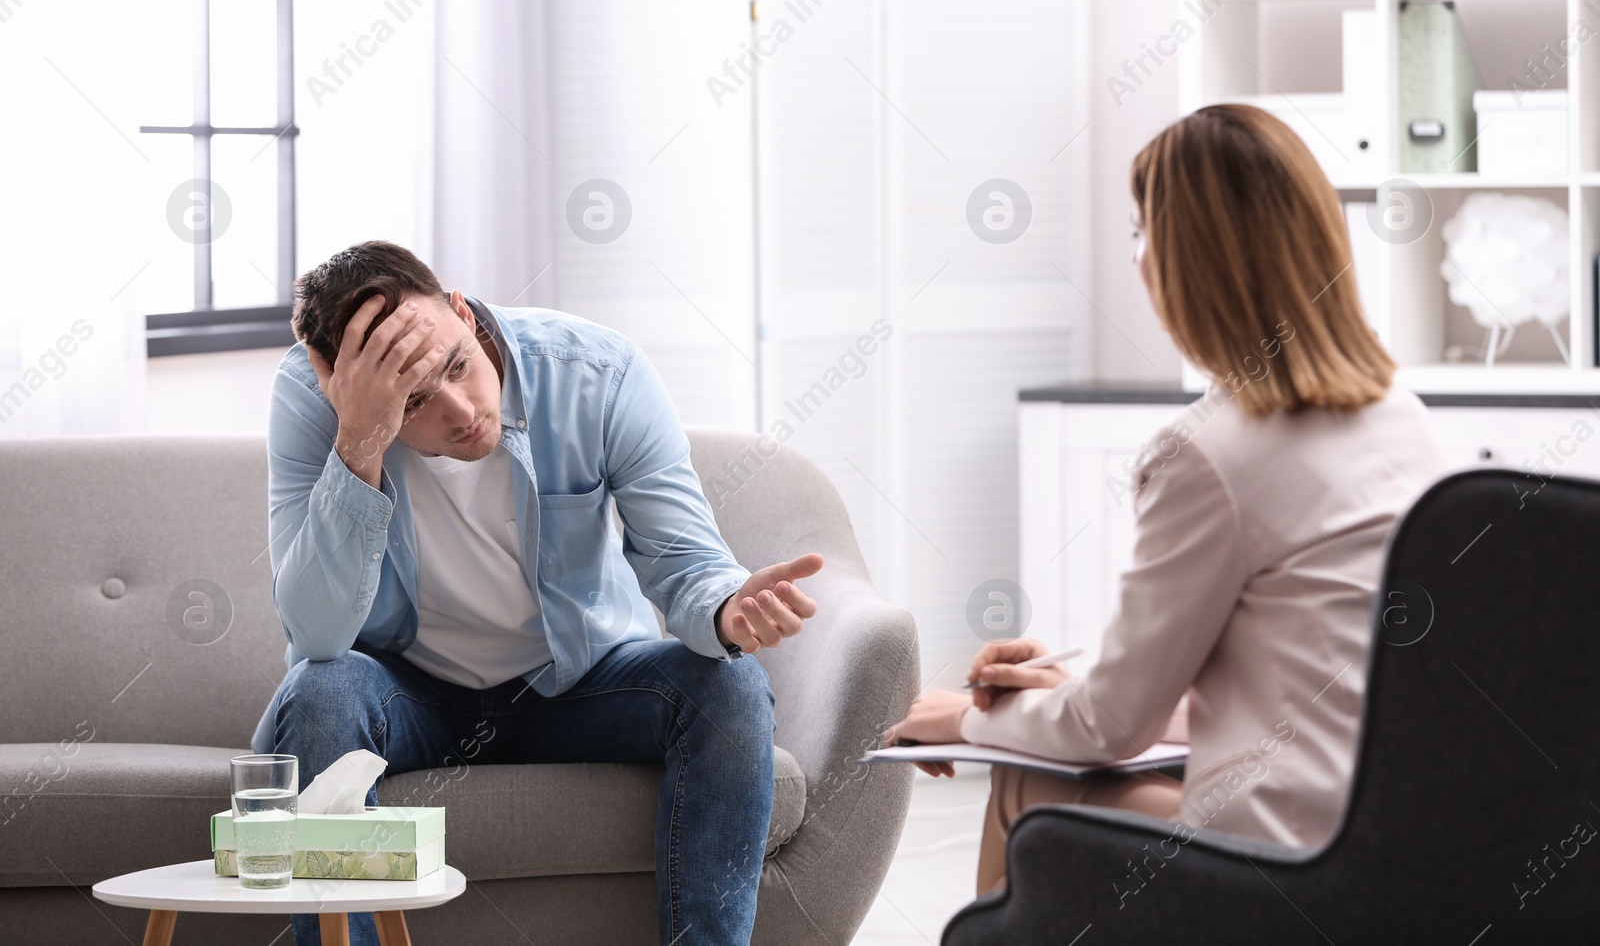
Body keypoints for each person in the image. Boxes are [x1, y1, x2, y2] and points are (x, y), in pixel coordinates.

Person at [884, 103, 1449, 895]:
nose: (1138, 260)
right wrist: (1074, 693)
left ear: (1193, 261)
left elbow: (1112, 728)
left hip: (1295, 861)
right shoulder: (1400, 414)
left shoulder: (1208, 452)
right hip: (1408, 834)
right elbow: (1303, 676)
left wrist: (966, 721)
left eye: (1143, 232)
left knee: (1025, 786)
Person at [252, 241, 822, 946]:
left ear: (460, 309)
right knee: (321, 689)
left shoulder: (597, 373)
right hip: (414, 696)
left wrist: (726, 608)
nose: (462, 409)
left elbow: (686, 561)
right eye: (416, 400)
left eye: (457, 364)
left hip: (581, 686)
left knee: (731, 686)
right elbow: (316, 635)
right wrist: (361, 440)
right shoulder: (315, 405)